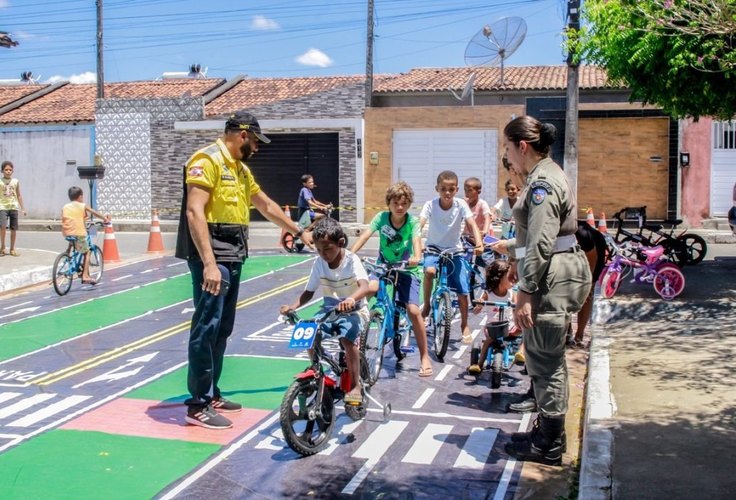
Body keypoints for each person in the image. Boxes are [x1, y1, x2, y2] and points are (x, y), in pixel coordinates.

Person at [175, 111, 313, 430]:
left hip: (234, 252)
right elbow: (195, 211)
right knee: (207, 325)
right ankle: (198, 403)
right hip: (214, 254)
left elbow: (265, 205)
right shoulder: (206, 160)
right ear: (241, 134)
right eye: (255, 140)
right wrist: (209, 263)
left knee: (222, 327)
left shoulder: (239, 169)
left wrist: (298, 230)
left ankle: (213, 392)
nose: (257, 147)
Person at [501, 116, 591, 466]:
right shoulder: (547, 175)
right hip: (553, 272)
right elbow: (536, 238)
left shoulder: (542, 183)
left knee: (545, 360)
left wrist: (524, 291)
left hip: (549, 279)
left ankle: (549, 443)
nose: (508, 157)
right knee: (545, 356)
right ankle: (547, 432)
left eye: (508, 149)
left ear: (522, 146)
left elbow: (541, 241)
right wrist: (509, 248)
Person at [281, 217, 370, 403]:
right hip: (329, 310)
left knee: (347, 340)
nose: (323, 254)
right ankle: (316, 369)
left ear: (341, 243)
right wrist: (293, 306)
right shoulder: (319, 263)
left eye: (327, 249)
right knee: (307, 332)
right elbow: (308, 292)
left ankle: (355, 384)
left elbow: (364, 286)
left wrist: (352, 299)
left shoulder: (352, 260)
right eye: (319, 250)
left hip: (355, 311)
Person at [350, 181, 433, 377]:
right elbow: (365, 235)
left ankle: (424, 356)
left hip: (406, 269)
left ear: (409, 204)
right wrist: (350, 255)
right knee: (368, 289)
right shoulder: (381, 218)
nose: (400, 207)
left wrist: (417, 257)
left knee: (413, 310)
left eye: (404, 203)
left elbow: (416, 241)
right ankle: (353, 334)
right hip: (383, 265)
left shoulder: (412, 222)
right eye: (395, 203)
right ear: (389, 203)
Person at [419, 170, 483, 344]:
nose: (447, 193)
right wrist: (414, 243)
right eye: (443, 189)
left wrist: (479, 243)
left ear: (456, 190)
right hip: (433, 248)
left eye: (451, 189)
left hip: (455, 250)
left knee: (463, 291)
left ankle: (464, 325)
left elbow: (471, 224)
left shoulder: (461, 204)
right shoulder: (430, 205)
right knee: (430, 271)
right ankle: (426, 305)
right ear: (437, 189)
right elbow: (420, 224)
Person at [467, 260, 517, 374]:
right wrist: (479, 305)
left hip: (508, 326)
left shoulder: (511, 293)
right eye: (509, 276)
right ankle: (478, 364)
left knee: (525, 333)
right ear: (499, 278)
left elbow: (517, 308)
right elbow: (476, 311)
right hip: (492, 327)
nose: (513, 279)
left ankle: (522, 354)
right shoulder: (488, 294)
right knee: (488, 341)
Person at [61, 186, 110, 284]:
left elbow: (71, 219)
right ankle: (85, 276)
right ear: (80, 197)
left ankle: (68, 252)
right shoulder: (82, 205)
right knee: (87, 252)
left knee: (73, 238)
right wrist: (105, 219)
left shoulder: (65, 207)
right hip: (79, 232)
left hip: (66, 232)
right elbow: (94, 212)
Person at [0, 161, 26, 256]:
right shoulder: (0, 182)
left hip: (14, 207)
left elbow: (19, 195)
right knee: (2, 226)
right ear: (2, 171)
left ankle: (12, 248)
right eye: (6, 169)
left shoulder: (15, 181)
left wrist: (22, 208)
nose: (8, 171)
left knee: (13, 228)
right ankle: (2, 246)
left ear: (12, 171)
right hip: (2, 207)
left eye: (10, 170)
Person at [463, 176, 492, 242]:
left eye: (470, 190)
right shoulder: (465, 204)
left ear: (478, 192)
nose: (467, 193)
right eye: (465, 190)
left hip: (481, 235)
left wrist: (485, 231)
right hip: (469, 235)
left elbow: (487, 218)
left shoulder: (482, 204)